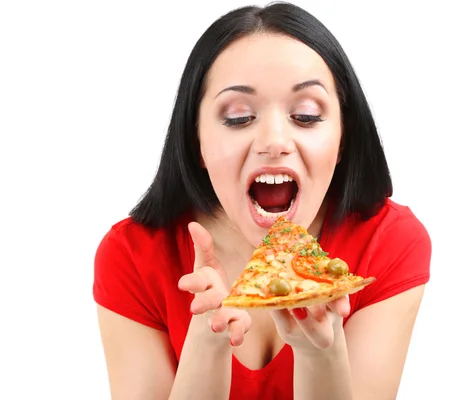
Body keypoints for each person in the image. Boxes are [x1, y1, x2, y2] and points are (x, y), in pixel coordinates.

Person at [93, 2, 432, 399]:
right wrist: (207, 339)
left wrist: (319, 355)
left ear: (343, 139)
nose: (274, 142)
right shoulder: (131, 256)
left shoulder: (391, 243)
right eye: (238, 117)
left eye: (306, 115)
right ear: (195, 142)